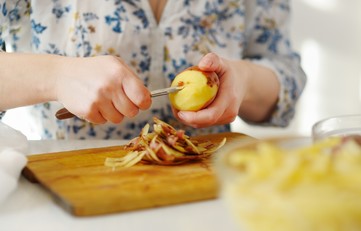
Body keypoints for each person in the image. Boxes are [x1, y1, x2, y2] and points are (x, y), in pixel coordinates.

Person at [0, 0, 306, 140]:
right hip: (69, 195)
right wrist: (55, 75)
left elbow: (286, 74)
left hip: (205, 194)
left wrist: (244, 80)